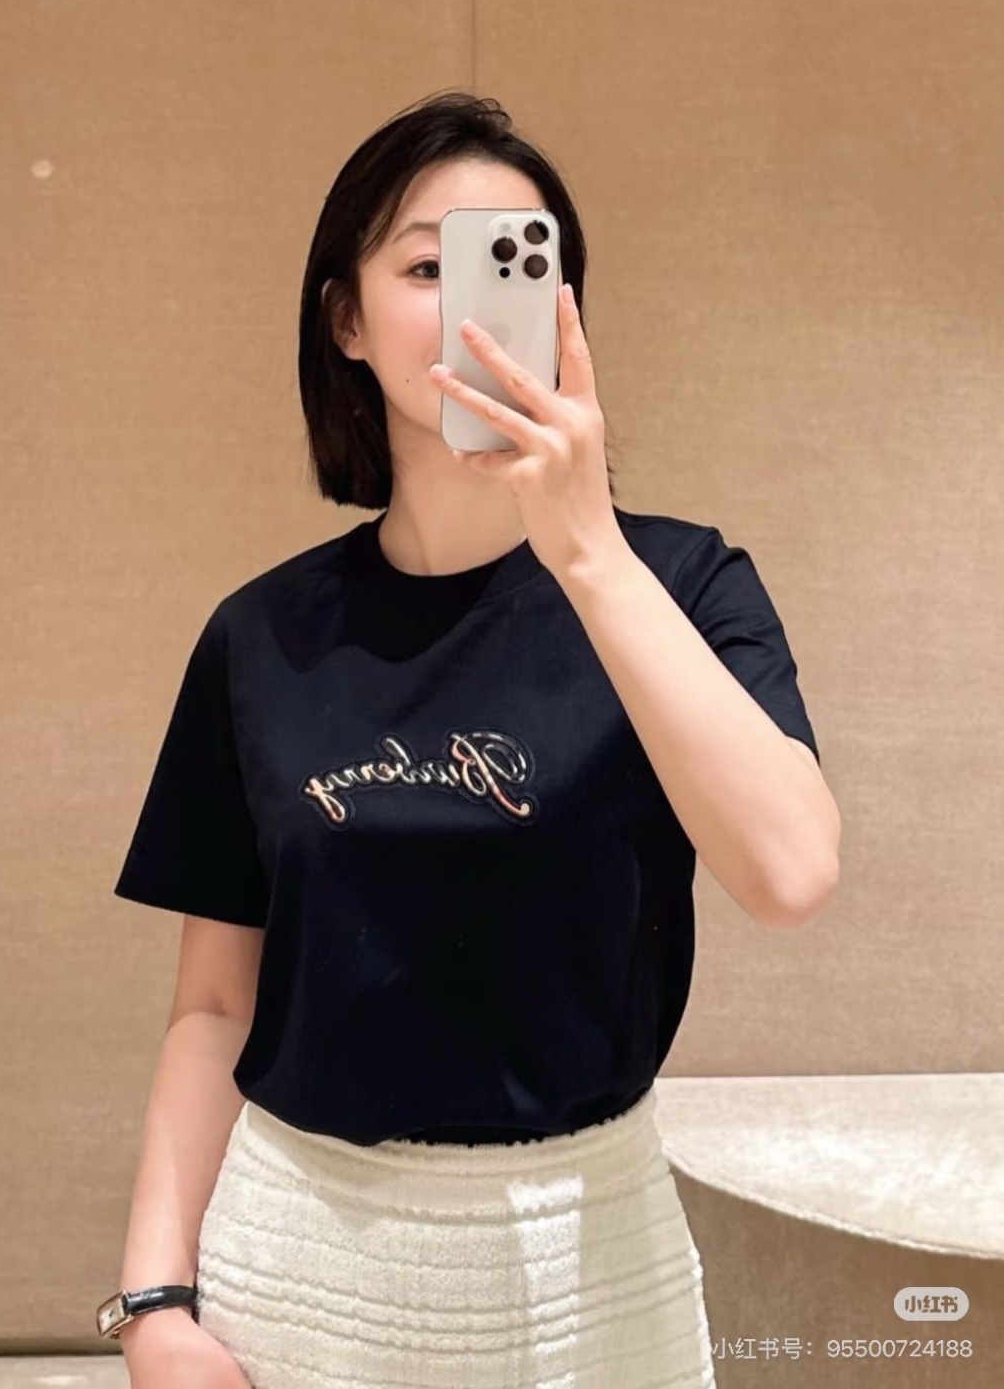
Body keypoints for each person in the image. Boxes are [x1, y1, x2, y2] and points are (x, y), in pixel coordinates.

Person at [106, 89, 831, 1388]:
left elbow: (791, 872)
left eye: (510, 265)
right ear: (345, 320)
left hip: (596, 1273)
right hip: (297, 1273)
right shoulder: (261, 636)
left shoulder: (679, 585)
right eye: (426, 267)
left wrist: (587, 550)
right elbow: (214, 1004)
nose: (468, 306)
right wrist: (155, 1303)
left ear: (564, 310)